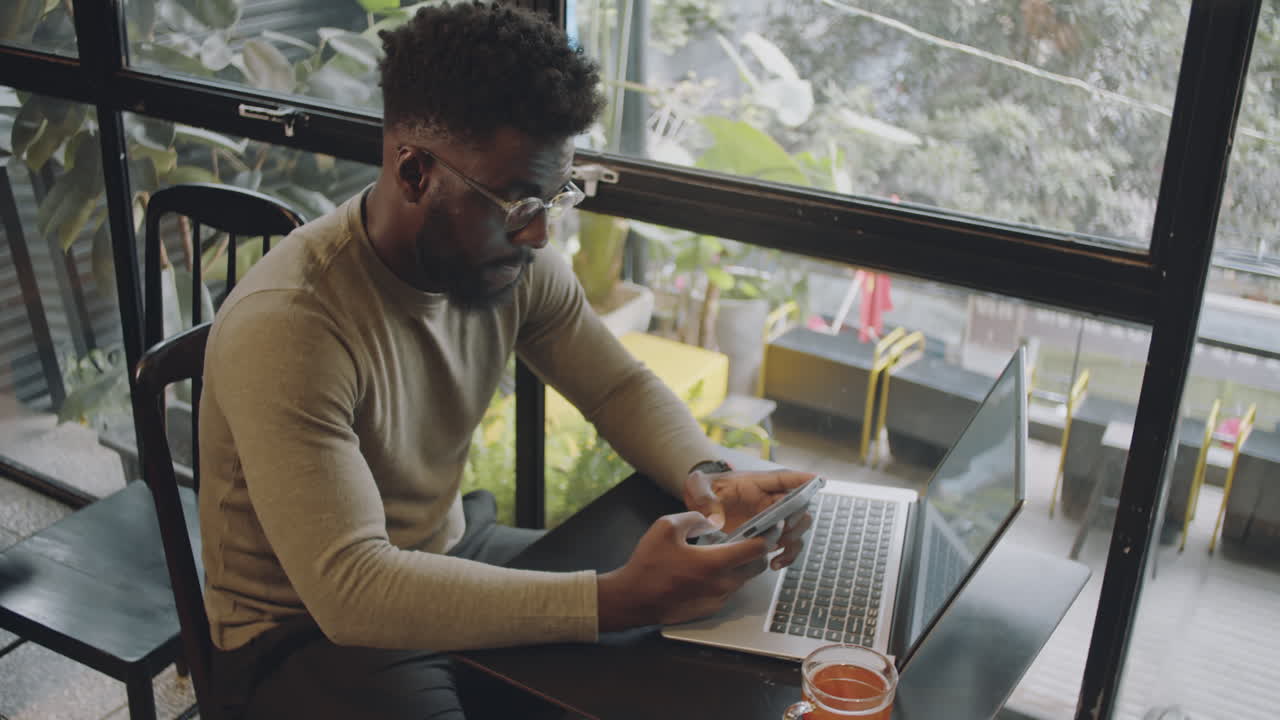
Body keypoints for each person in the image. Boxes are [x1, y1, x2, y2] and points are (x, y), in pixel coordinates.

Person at [198, 2, 814, 718]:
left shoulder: (509, 261)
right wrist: (616, 599)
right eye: (520, 202)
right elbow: (352, 590)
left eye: (557, 197)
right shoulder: (291, 325)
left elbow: (616, 386)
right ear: (416, 171)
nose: (540, 234)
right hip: (297, 633)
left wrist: (709, 480)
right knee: (623, 621)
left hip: (448, 548)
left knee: (691, 624)